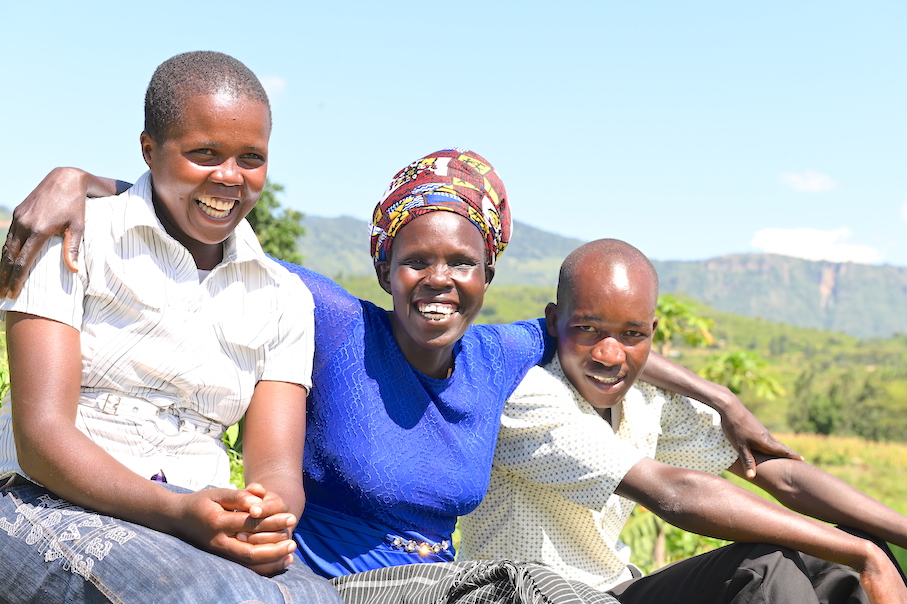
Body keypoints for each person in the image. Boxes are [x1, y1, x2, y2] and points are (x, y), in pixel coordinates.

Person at [1, 149, 799, 582]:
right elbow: (211, 214)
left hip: (440, 584)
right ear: (385, 267)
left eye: (463, 263)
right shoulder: (335, 321)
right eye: (418, 260)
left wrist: (718, 396)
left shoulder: (497, 353)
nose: (441, 280)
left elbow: (602, 338)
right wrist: (84, 181)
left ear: (487, 277)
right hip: (336, 583)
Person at [0, 51, 341, 604]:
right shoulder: (71, 236)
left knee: (315, 599)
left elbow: (276, 464)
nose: (229, 177)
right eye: (204, 153)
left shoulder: (283, 298)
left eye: (250, 157)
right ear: (149, 150)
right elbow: (41, 439)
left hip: (195, 510)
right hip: (45, 499)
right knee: (205, 596)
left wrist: (266, 514)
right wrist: (178, 513)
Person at [458, 238, 907, 604]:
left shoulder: (646, 398)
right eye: (588, 329)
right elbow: (675, 493)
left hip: (613, 592)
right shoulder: (530, 396)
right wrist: (863, 553)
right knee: (767, 570)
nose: (609, 355)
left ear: (652, 333)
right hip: (527, 594)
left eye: (631, 335)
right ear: (554, 321)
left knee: (839, 566)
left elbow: (780, 474)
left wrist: (884, 543)